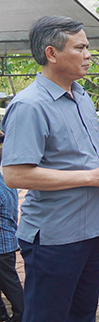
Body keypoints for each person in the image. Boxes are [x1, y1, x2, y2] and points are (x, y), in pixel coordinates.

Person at [1, 15, 99, 322]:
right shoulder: (30, 105)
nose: (89, 55)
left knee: (82, 314)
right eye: (80, 47)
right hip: (55, 236)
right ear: (52, 53)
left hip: (93, 228)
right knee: (49, 316)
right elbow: (14, 174)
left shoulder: (82, 97)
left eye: (88, 47)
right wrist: (91, 176)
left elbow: (79, 157)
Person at [0, 133, 23, 322]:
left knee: (10, 285)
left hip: (1, 246)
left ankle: (23, 315)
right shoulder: (6, 180)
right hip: (7, 242)